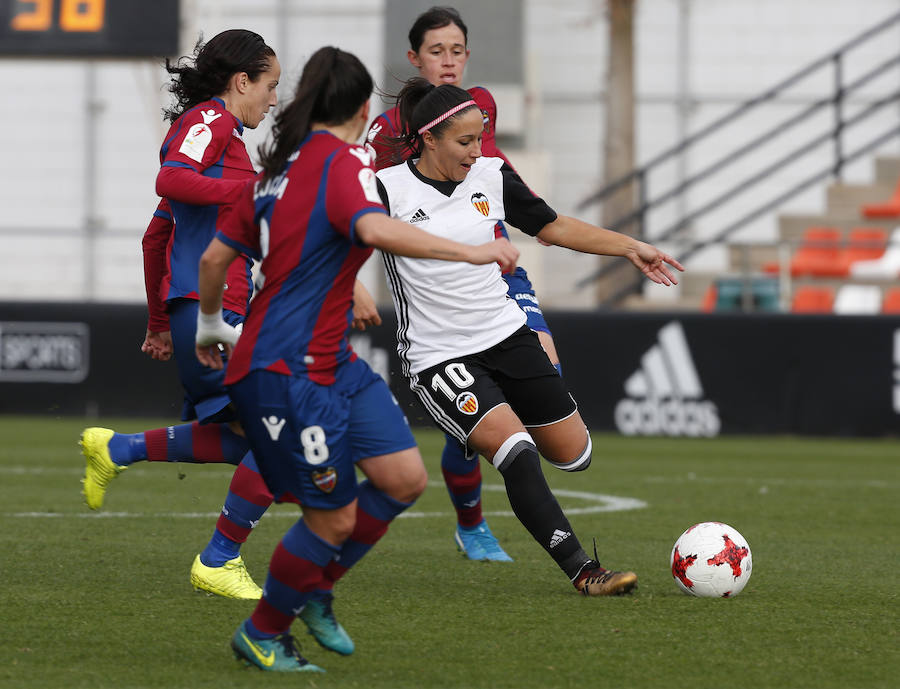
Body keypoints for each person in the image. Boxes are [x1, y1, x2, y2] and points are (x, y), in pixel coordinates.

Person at [193, 46, 519, 672]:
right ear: (365, 108)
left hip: (331, 362)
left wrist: (210, 324)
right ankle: (263, 631)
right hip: (285, 370)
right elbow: (372, 230)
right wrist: (473, 253)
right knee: (334, 518)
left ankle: (315, 589)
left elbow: (215, 260)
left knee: (402, 479)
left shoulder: (274, 170)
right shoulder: (340, 163)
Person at [375, 78, 684, 596]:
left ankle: (480, 427)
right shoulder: (386, 189)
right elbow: (342, 239)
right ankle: (585, 572)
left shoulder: (492, 176)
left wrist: (631, 247)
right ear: (429, 140)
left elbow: (553, 225)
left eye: (480, 139)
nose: (477, 152)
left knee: (574, 454)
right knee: (517, 451)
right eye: (464, 142)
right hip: (439, 353)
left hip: (505, 333)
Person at [79, 29, 281, 601]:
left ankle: (116, 450)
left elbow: (156, 235)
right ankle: (219, 558)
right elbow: (169, 178)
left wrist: (159, 321)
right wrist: (247, 198)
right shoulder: (211, 122)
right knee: (281, 436)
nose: (273, 100)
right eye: (270, 86)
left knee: (250, 441)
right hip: (212, 312)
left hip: (199, 311)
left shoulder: (223, 147)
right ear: (242, 81)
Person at [367, 5, 563, 563]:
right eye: (436, 51)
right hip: (438, 277)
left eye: (457, 50)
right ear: (414, 58)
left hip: (497, 264)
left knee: (544, 363)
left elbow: (492, 175)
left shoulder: (484, 106)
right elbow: (372, 209)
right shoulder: (385, 135)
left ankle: (498, 480)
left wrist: (531, 214)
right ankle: (472, 523)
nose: (448, 61)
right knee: (477, 405)